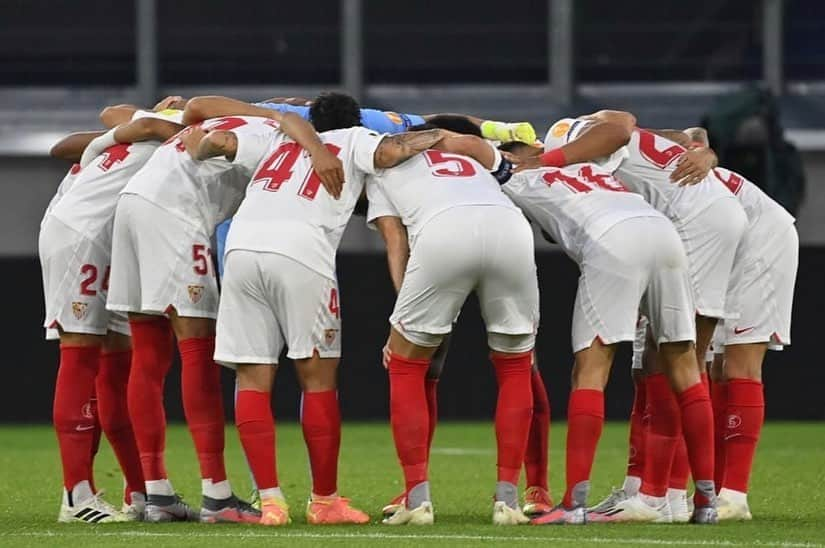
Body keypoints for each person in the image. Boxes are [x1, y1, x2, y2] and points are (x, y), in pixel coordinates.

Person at [190, 92, 455, 526]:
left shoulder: (278, 139)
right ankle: (324, 500)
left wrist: (199, 148)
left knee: (252, 377)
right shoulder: (356, 138)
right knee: (316, 379)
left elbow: (216, 143)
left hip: (240, 250)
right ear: (354, 120)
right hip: (301, 253)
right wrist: (436, 136)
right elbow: (392, 151)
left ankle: (271, 502)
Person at [105, 97, 342, 522]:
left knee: (148, 351)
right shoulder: (274, 134)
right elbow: (224, 139)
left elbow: (194, 105)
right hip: (176, 212)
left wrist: (263, 111)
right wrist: (282, 122)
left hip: (133, 202)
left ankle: (155, 491)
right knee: (197, 348)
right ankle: (216, 493)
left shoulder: (232, 113)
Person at [516, 114, 746, 523]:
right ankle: (697, 499)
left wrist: (541, 160)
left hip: (662, 229)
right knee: (684, 363)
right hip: (670, 228)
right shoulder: (609, 167)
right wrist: (703, 150)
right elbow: (678, 135)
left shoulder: (552, 162)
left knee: (593, 366)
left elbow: (619, 123)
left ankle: (602, 501)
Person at [365, 130, 539, 526]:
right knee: (515, 365)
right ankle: (508, 502)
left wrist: (403, 316)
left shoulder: (381, 169)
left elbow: (397, 241)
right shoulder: (463, 157)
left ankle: (417, 500)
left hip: (443, 231)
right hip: (510, 228)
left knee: (405, 364)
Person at [40, 107, 184, 523]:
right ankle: (76, 494)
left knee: (118, 367)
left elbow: (74, 141)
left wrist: (128, 130)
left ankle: (139, 492)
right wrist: (155, 126)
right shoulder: (167, 137)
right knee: (80, 354)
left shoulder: (145, 137)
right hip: (82, 233)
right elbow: (70, 143)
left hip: (113, 241)